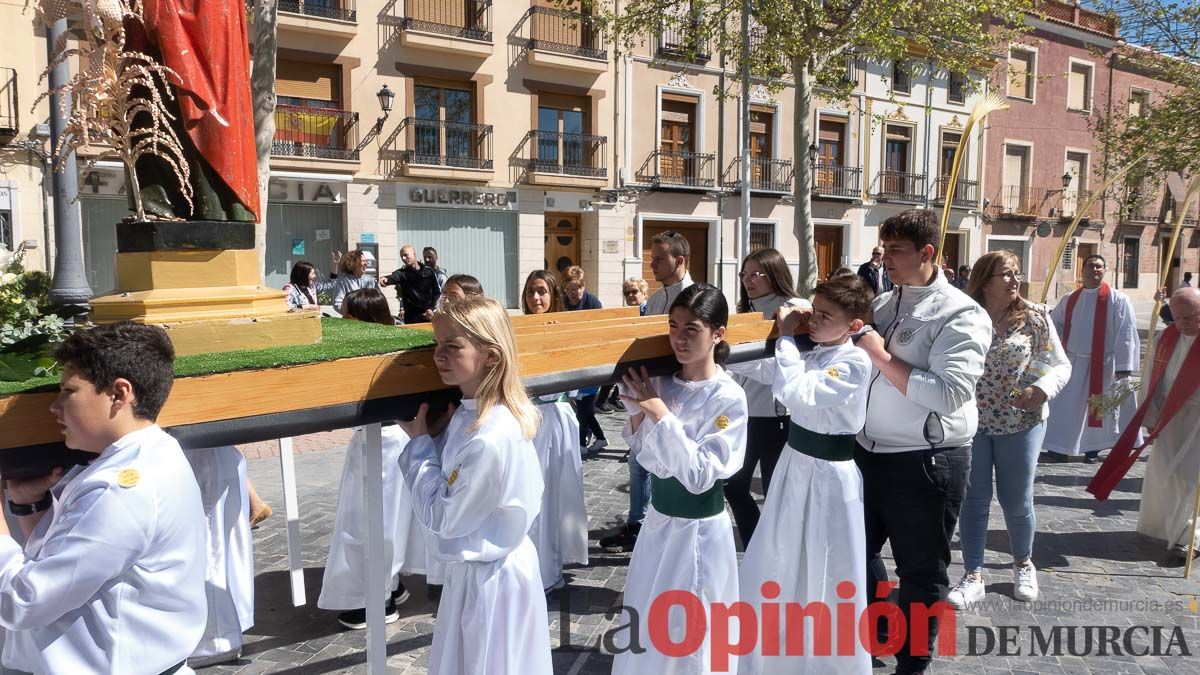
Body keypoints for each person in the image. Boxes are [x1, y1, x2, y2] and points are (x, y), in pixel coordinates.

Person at [0, 322, 206, 673]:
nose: (54, 406)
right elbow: (60, 561)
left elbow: (24, 601)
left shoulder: (122, 489)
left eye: (69, 392)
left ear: (119, 394)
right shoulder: (151, 452)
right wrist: (26, 504)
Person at [854, 209, 991, 675]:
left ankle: (913, 664)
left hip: (926, 461)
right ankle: (873, 641)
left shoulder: (961, 313)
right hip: (868, 453)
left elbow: (950, 393)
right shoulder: (884, 303)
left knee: (921, 572)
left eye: (896, 250)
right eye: (885, 248)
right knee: (857, 554)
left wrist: (880, 355)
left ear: (927, 253)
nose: (884, 259)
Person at [397, 296, 552, 674]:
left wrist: (419, 447)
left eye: (453, 346)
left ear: (491, 356)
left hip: (493, 580)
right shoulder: (478, 415)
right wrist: (435, 442)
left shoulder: (489, 435)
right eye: (437, 344)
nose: (439, 355)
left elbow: (444, 516)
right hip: (488, 571)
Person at [738, 274, 874, 674]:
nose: (813, 320)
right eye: (813, 311)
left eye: (825, 315)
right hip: (795, 465)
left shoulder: (853, 361)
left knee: (827, 563)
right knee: (780, 553)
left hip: (830, 477)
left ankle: (825, 660)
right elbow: (772, 373)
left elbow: (797, 392)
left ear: (852, 326)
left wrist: (783, 338)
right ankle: (772, 649)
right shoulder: (811, 348)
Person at [611, 284, 748, 675]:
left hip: (698, 530)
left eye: (692, 329)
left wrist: (659, 414)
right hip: (660, 523)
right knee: (650, 611)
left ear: (718, 332)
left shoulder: (728, 397)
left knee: (691, 624)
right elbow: (648, 455)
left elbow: (701, 474)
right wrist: (639, 414)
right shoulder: (664, 383)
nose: (679, 338)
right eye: (673, 326)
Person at [948, 251, 1071, 609]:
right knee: (974, 500)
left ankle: (1023, 563)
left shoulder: (1034, 317)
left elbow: (1059, 364)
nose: (1015, 280)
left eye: (1016, 273)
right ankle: (973, 574)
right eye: (1006, 274)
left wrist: (1042, 389)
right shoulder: (966, 316)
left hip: (1022, 420)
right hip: (973, 421)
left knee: (1016, 500)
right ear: (985, 281)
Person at [600, 231, 694, 553]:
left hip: (678, 398)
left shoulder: (695, 297)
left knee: (672, 466)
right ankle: (637, 523)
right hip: (648, 390)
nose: (651, 264)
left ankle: (666, 527)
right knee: (639, 462)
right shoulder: (654, 300)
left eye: (658, 258)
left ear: (679, 261)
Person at [1090, 288, 1200, 561]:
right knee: (1166, 473)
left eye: (1191, 317)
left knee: (1191, 480)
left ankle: (1191, 537)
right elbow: (1154, 378)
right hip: (1171, 417)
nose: (1184, 324)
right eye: (1178, 317)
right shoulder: (1167, 337)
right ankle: (1164, 527)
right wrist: (1150, 417)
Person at [723, 247, 808, 546]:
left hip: (778, 417)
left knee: (776, 493)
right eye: (744, 274)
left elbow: (781, 371)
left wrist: (732, 358)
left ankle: (778, 554)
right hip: (745, 413)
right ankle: (757, 543)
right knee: (733, 485)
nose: (749, 280)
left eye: (756, 273)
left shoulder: (795, 308)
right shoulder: (743, 313)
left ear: (775, 272)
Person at [519, 271, 589, 592]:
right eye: (532, 292)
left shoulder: (566, 329)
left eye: (543, 292)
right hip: (528, 420)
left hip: (555, 419)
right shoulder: (517, 330)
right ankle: (535, 564)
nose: (537, 299)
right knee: (530, 493)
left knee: (554, 492)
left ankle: (550, 566)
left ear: (553, 296)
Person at [318, 422, 425, 628]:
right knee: (393, 516)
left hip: (379, 433)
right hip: (393, 429)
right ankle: (389, 585)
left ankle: (375, 600)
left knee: (366, 521)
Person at [1043, 254, 1140, 464]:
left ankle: (1092, 449)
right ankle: (1059, 447)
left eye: (1099, 267)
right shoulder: (1070, 299)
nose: (1094, 270)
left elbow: (1126, 332)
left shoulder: (1119, 299)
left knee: (1098, 409)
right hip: (1073, 361)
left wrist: (1124, 366)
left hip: (1104, 364)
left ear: (1105, 271)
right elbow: (1054, 324)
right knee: (1065, 407)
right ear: (1082, 269)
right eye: (1090, 266)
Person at [182, 446, 255, 667]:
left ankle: (215, 638)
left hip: (199, 450)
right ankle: (224, 628)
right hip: (201, 452)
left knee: (210, 543)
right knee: (218, 539)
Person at [597, 278, 650, 414]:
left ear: (644, 293)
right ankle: (609, 399)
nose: (630, 295)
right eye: (626, 293)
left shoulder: (650, 310)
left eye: (634, 291)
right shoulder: (626, 313)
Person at [381, 244, 441, 324]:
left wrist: (432, 309)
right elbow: (393, 277)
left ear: (414, 254)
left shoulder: (429, 272)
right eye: (402, 256)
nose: (403, 258)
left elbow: (437, 293)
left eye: (406, 255)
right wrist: (385, 279)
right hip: (412, 320)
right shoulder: (402, 273)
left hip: (429, 317)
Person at [330, 249, 378, 315]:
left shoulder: (371, 280)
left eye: (365, 261)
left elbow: (378, 300)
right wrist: (353, 312)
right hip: (352, 321)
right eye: (363, 261)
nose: (366, 264)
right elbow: (337, 304)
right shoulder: (343, 281)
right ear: (354, 263)